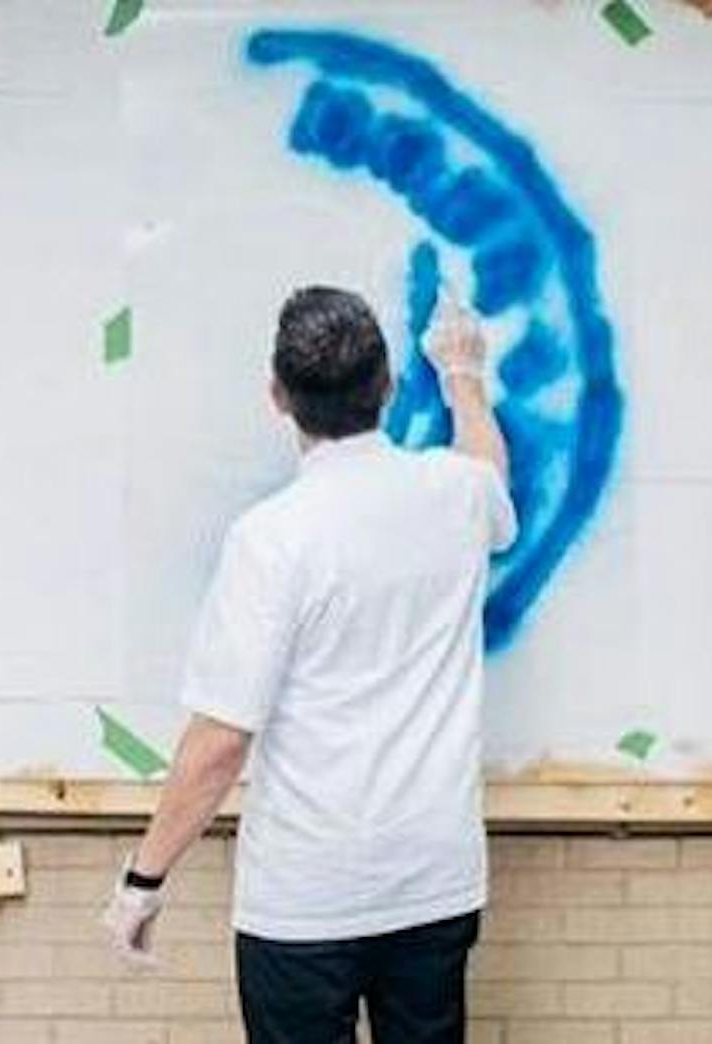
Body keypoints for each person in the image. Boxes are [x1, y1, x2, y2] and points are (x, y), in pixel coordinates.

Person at [101, 285, 515, 1044]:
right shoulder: (455, 496)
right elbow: (486, 464)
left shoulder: (273, 538)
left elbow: (220, 740)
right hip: (434, 881)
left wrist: (144, 880)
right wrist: (462, 374)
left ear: (277, 397)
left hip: (305, 899)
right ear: (388, 387)